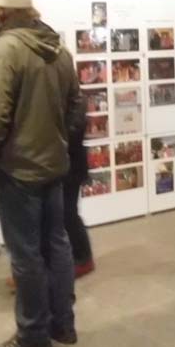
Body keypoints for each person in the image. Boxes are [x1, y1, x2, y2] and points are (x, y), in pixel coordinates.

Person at [0, 0, 82, 347]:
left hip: (16, 170)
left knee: (26, 255)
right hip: (53, 165)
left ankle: (33, 333)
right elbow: (75, 107)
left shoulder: (4, 52)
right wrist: (58, 141)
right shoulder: (59, 51)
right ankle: (63, 323)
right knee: (57, 244)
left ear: (1, 11)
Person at [64, 110, 95, 278]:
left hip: (71, 164)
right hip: (67, 162)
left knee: (68, 213)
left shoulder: (73, 100)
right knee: (67, 213)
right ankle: (80, 257)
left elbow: (75, 129)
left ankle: (83, 258)